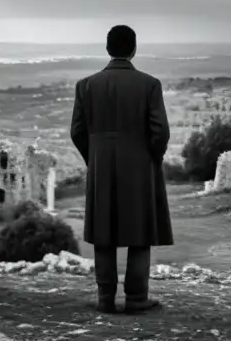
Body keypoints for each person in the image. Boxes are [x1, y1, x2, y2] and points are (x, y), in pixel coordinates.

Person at [70, 24, 173, 314]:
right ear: (134, 49)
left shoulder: (86, 85)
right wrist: (152, 157)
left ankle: (105, 298)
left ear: (107, 49)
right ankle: (137, 298)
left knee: (104, 231)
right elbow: (160, 131)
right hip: (140, 165)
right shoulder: (149, 84)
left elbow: (77, 131)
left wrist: (95, 157)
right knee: (139, 232)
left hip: (101, 165)